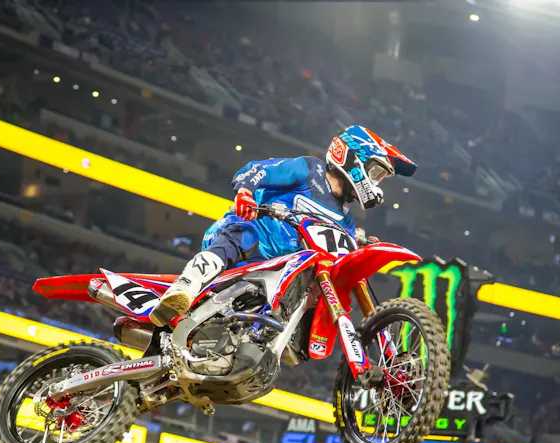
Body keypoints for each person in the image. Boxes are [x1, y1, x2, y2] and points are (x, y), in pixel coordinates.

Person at [149, 125, 417, 326]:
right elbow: (259, 170)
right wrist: (245, 192)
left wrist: (359, 247)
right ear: (353, 158)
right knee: (242, 235)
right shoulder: (308, 170)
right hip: (255, 241)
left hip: (284, 272)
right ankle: (184, 288)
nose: (376, 183)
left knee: (315, 286)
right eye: (375, 173)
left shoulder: (344, 218)